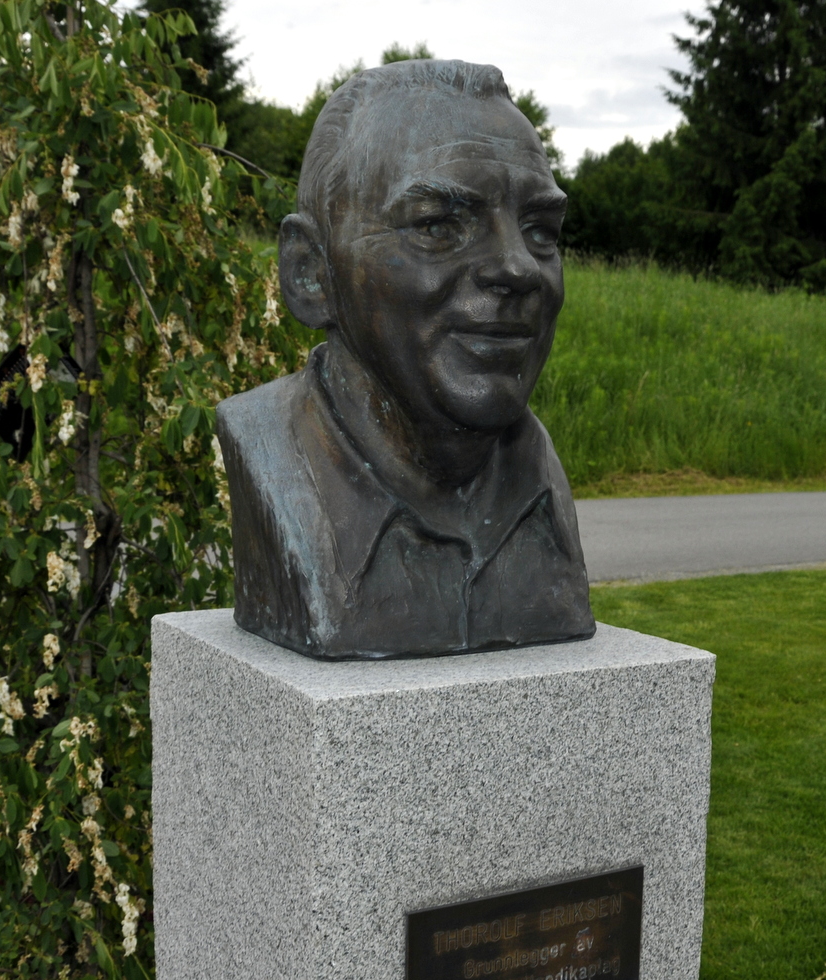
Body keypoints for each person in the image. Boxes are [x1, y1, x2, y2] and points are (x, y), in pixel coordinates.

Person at [216, 59, 595, 659]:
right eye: (439, 226)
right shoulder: (267, 453)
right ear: (311, 274)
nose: (518, 267)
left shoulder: (540, 485)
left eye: (540, 230)